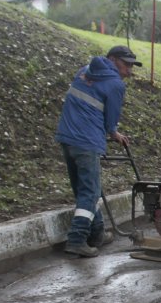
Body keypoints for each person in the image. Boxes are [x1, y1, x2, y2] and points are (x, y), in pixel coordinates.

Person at [55, 45, 139, 257]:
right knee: (90, 191)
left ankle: (97, 232)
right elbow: (111, 119)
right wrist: (114, 133)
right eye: (126, 65)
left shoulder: (83, 71)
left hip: (67, 138)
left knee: (85, 189)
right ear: (112, 59)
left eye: (131, 66)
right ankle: (77, 239)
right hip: (86, 142)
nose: (129, 71)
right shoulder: (115, 84)